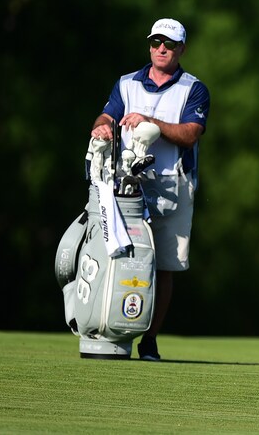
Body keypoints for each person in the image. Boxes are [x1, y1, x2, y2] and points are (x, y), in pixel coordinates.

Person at [89, 18, 210, 361]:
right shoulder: (127, 84)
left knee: (165, 266)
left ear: (181, 49)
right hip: (127, 182)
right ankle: (110, 327)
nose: (161, 49)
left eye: (169, 44)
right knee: (118, 254)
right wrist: (102, 129)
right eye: (156, 42)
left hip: (174, 183)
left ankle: (150, 339)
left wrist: (149, 122)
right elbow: (106, 116)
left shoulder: (193, 88)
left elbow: (190, 134)